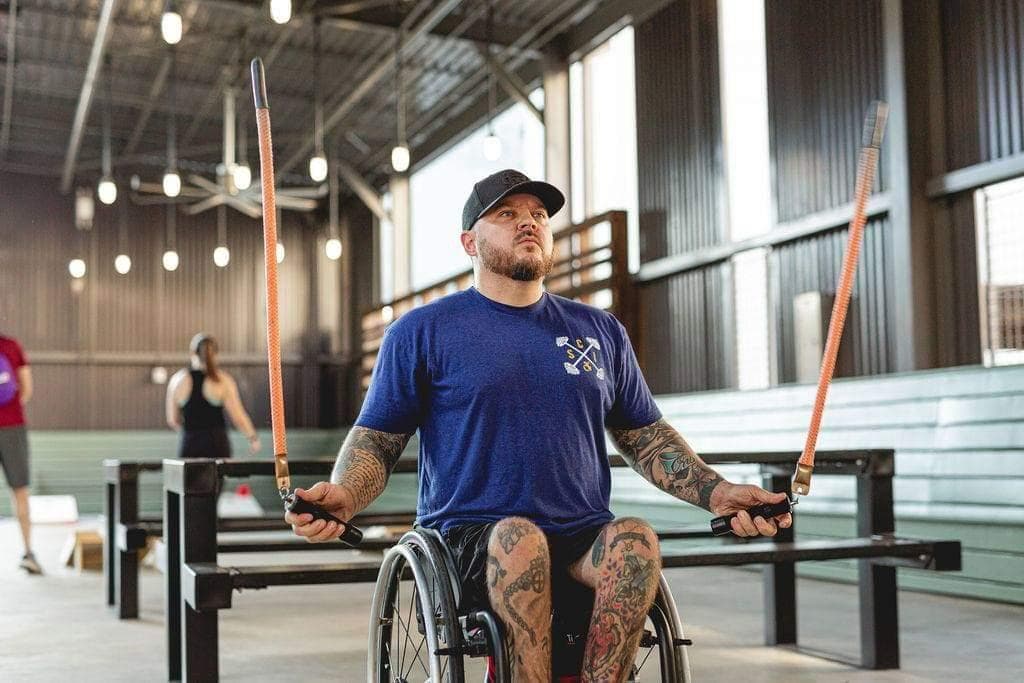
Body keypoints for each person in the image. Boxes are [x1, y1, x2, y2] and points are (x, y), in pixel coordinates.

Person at [286, 170, 792, 682]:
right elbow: (379, 437)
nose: (528, 222)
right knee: (519, 540)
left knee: (636, 541)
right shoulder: (423, 331)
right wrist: (346, 495)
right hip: (470, 535)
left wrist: (719, 492)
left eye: (539, 215)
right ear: (470, 242)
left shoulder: (599, 331)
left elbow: (647, 438)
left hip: (578, 535)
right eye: (507, 214)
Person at [166, 333, 261, 459]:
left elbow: (173, 420)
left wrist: (192, 432)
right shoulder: (223, 381)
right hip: (216, 445)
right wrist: (252, 437)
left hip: (190, 444)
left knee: (190, 479)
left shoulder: (177, 380)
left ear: (192, 353)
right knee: (216, 479)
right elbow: (238, 417)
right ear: (215, 354)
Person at [0, 333, 42, 575]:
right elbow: (26, 389)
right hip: (13, 425)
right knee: (20, 492)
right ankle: (28, 553)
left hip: (12, 425)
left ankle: (28, 552)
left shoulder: (13, 345)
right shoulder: (12, 346)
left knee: (20, 492)